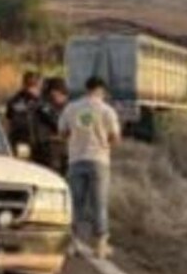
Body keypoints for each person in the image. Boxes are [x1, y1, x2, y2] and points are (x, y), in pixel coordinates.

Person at [58, 76, 121, 259]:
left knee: (75, 203)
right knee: (99, 205)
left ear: (86, 88)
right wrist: (104, 143)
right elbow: (115, 137)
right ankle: (100, 246)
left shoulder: (71, 108)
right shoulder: (107, 110)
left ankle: (72, 243)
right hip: (99, 161)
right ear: (102, 90)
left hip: (76, 159)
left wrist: (75, 140)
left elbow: (62, 132)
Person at [32, 77, 69, 175]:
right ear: (53, 93)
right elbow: (58, 124)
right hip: (48, 148)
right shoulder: (44, 107)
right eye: (61, 95)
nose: (64, 98)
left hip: (63, 148)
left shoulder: (65, 107)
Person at [5, 71, 42, 155]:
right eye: (31, 84)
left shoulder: (43, 101)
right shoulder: (16, 100)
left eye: (35, 85)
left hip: (41, 143)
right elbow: (9, 120)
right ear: (25, 84)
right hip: (23, 141)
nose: (33, 88)